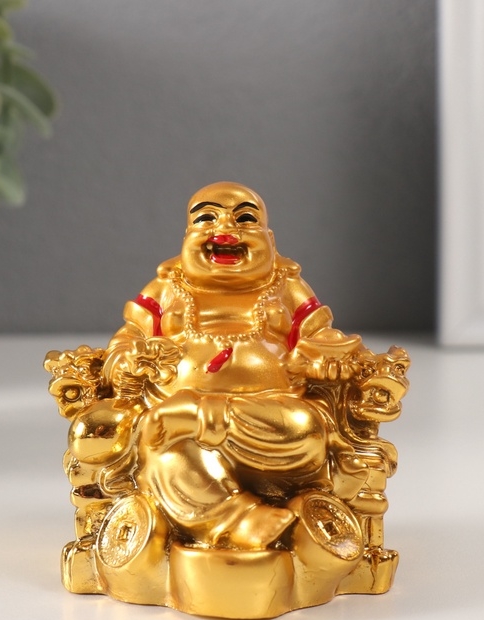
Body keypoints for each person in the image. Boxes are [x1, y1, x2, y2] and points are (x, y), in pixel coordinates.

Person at [100, 181, 372, 550]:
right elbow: (127, 338)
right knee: (165, 459)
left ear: (270, 239)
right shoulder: (166, 288)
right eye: (206, 219)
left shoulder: (285, 286)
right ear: (186, 236)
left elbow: (322, 336)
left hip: (267, 417)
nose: (225, 229)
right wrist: (128, 359)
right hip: (175, 430)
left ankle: (194, 413)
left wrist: (327, 357)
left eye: (245, 219)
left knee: (306, 429)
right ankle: (240, 520)